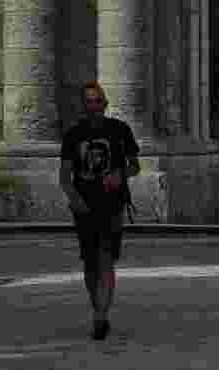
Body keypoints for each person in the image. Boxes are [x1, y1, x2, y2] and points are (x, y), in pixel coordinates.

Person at [59, 82, 141, 341]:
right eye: (88, 102)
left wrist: (120, 174)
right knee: (90, 262)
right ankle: (98, 309)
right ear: (83, 106)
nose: (93, 106)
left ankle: (101, 316)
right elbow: (64, 176)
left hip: (112, 204)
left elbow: (135, 166)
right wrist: (74, 198)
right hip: (84, 207)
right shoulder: (73, 135)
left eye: (97, 101)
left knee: (105, 258)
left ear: (105, 104)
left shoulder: (120, 130)